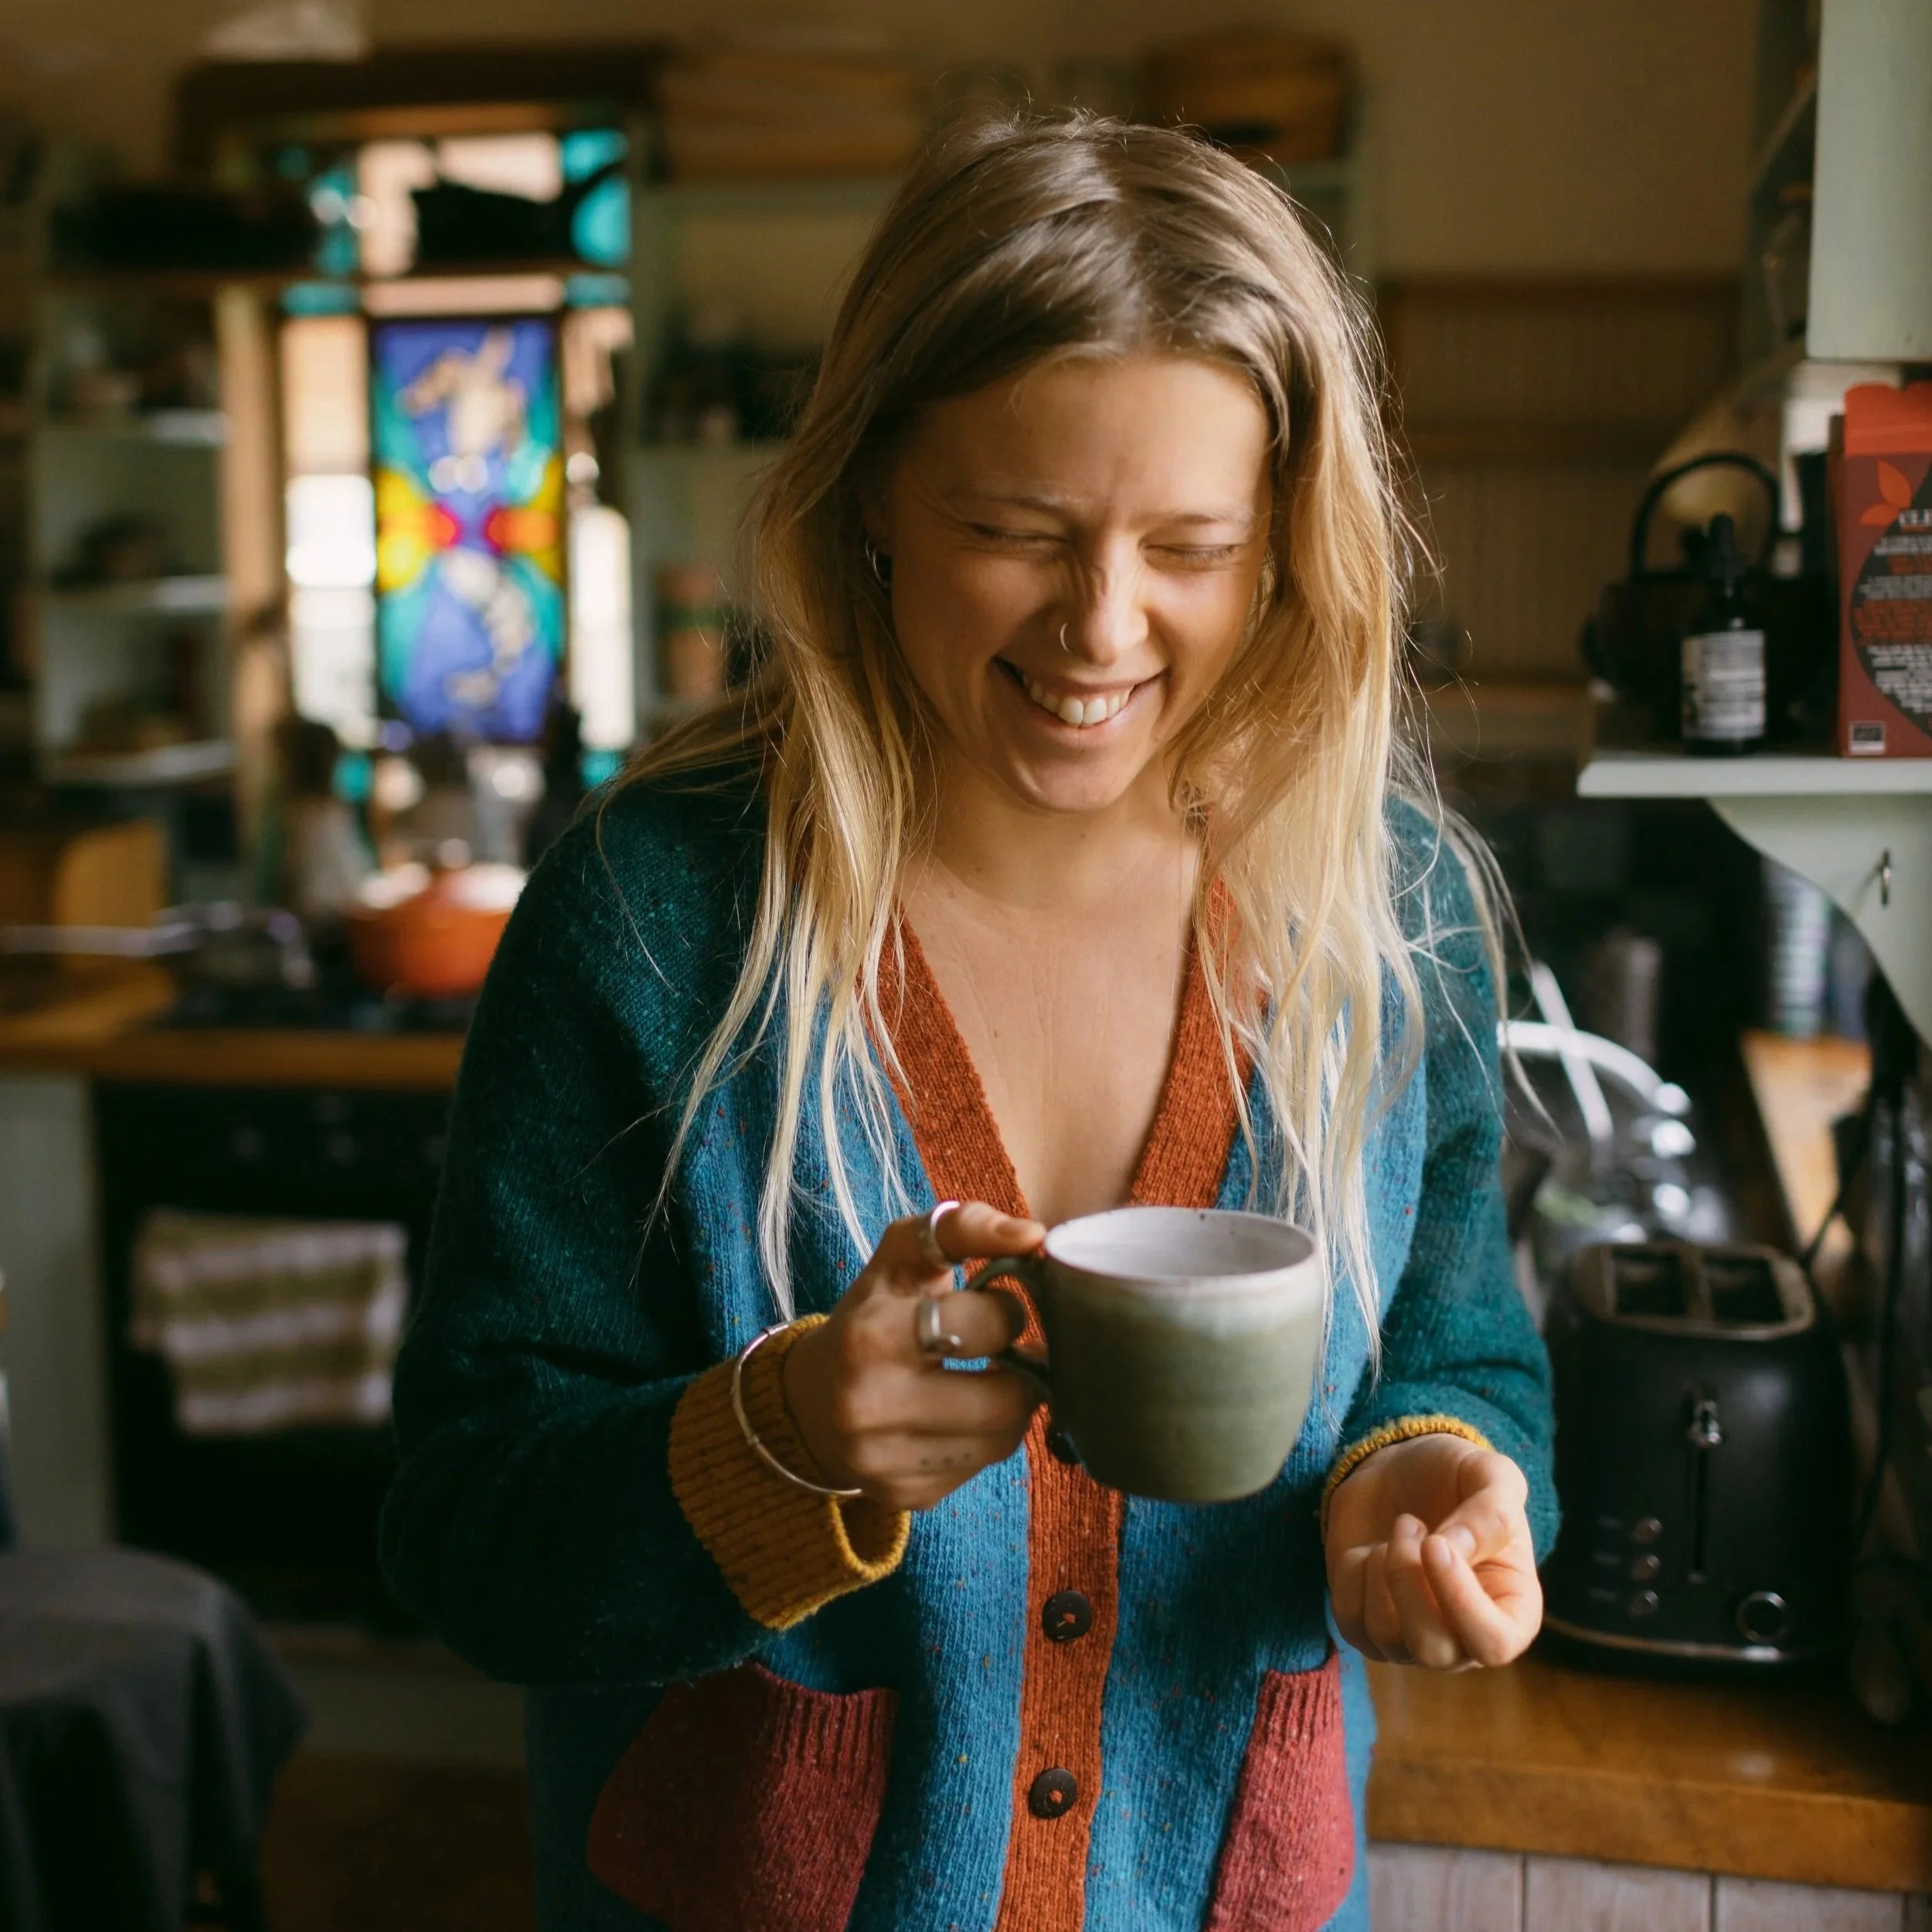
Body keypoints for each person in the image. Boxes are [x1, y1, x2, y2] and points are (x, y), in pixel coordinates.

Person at [380, 111, 1556, 1932]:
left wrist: (1429, 1485)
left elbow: (1462, 1356)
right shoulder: (656, 923)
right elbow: (463, 1536)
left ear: (1283, 549)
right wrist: (772, 1441)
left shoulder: (1381, 921)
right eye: (1014, 528)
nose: (1101, 625)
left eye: (1191, 544)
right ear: (864, 490)